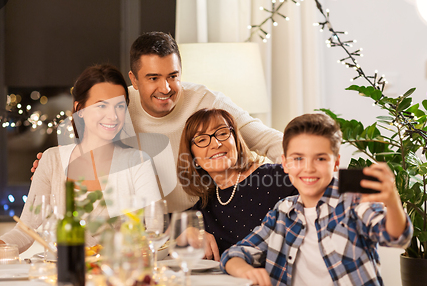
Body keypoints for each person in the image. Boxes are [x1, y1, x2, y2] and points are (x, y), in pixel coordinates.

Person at [32, 31, 284, 214]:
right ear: (134, 79)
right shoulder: (117, 105)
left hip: (199, 213)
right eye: (153, 78)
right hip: (135, 218)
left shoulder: (207, 100)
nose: (165, 88)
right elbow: (80, 144)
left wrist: (304, 173)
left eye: (173, 76)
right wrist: (52, 167)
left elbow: (268, 140)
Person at [0, 65, 161, 277]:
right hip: (62, 278)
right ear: (80, 109)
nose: (113, 116)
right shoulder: (52, 160)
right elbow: (25, 231)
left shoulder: (139, 163)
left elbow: (155, 231)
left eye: (120, 106)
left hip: (118, 279)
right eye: (101, 106)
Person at [220, 113, 413, 286]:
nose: (309, 168)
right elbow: (234, 254)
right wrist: (246, 270)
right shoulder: (283, 211)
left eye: (320, 158)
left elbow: (396, 236)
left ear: (336, 163)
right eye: (298, 158)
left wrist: (392, 201)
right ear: (285, 163)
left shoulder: (354, 203)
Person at [177, 109, 297, 260]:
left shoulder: (279, 177)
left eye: (222, 133)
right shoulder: (205, 207)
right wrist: (183, 231)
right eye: (201, 140)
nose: (216, 143)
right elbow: (158, 223)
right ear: (193, 158)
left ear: (236, 140)